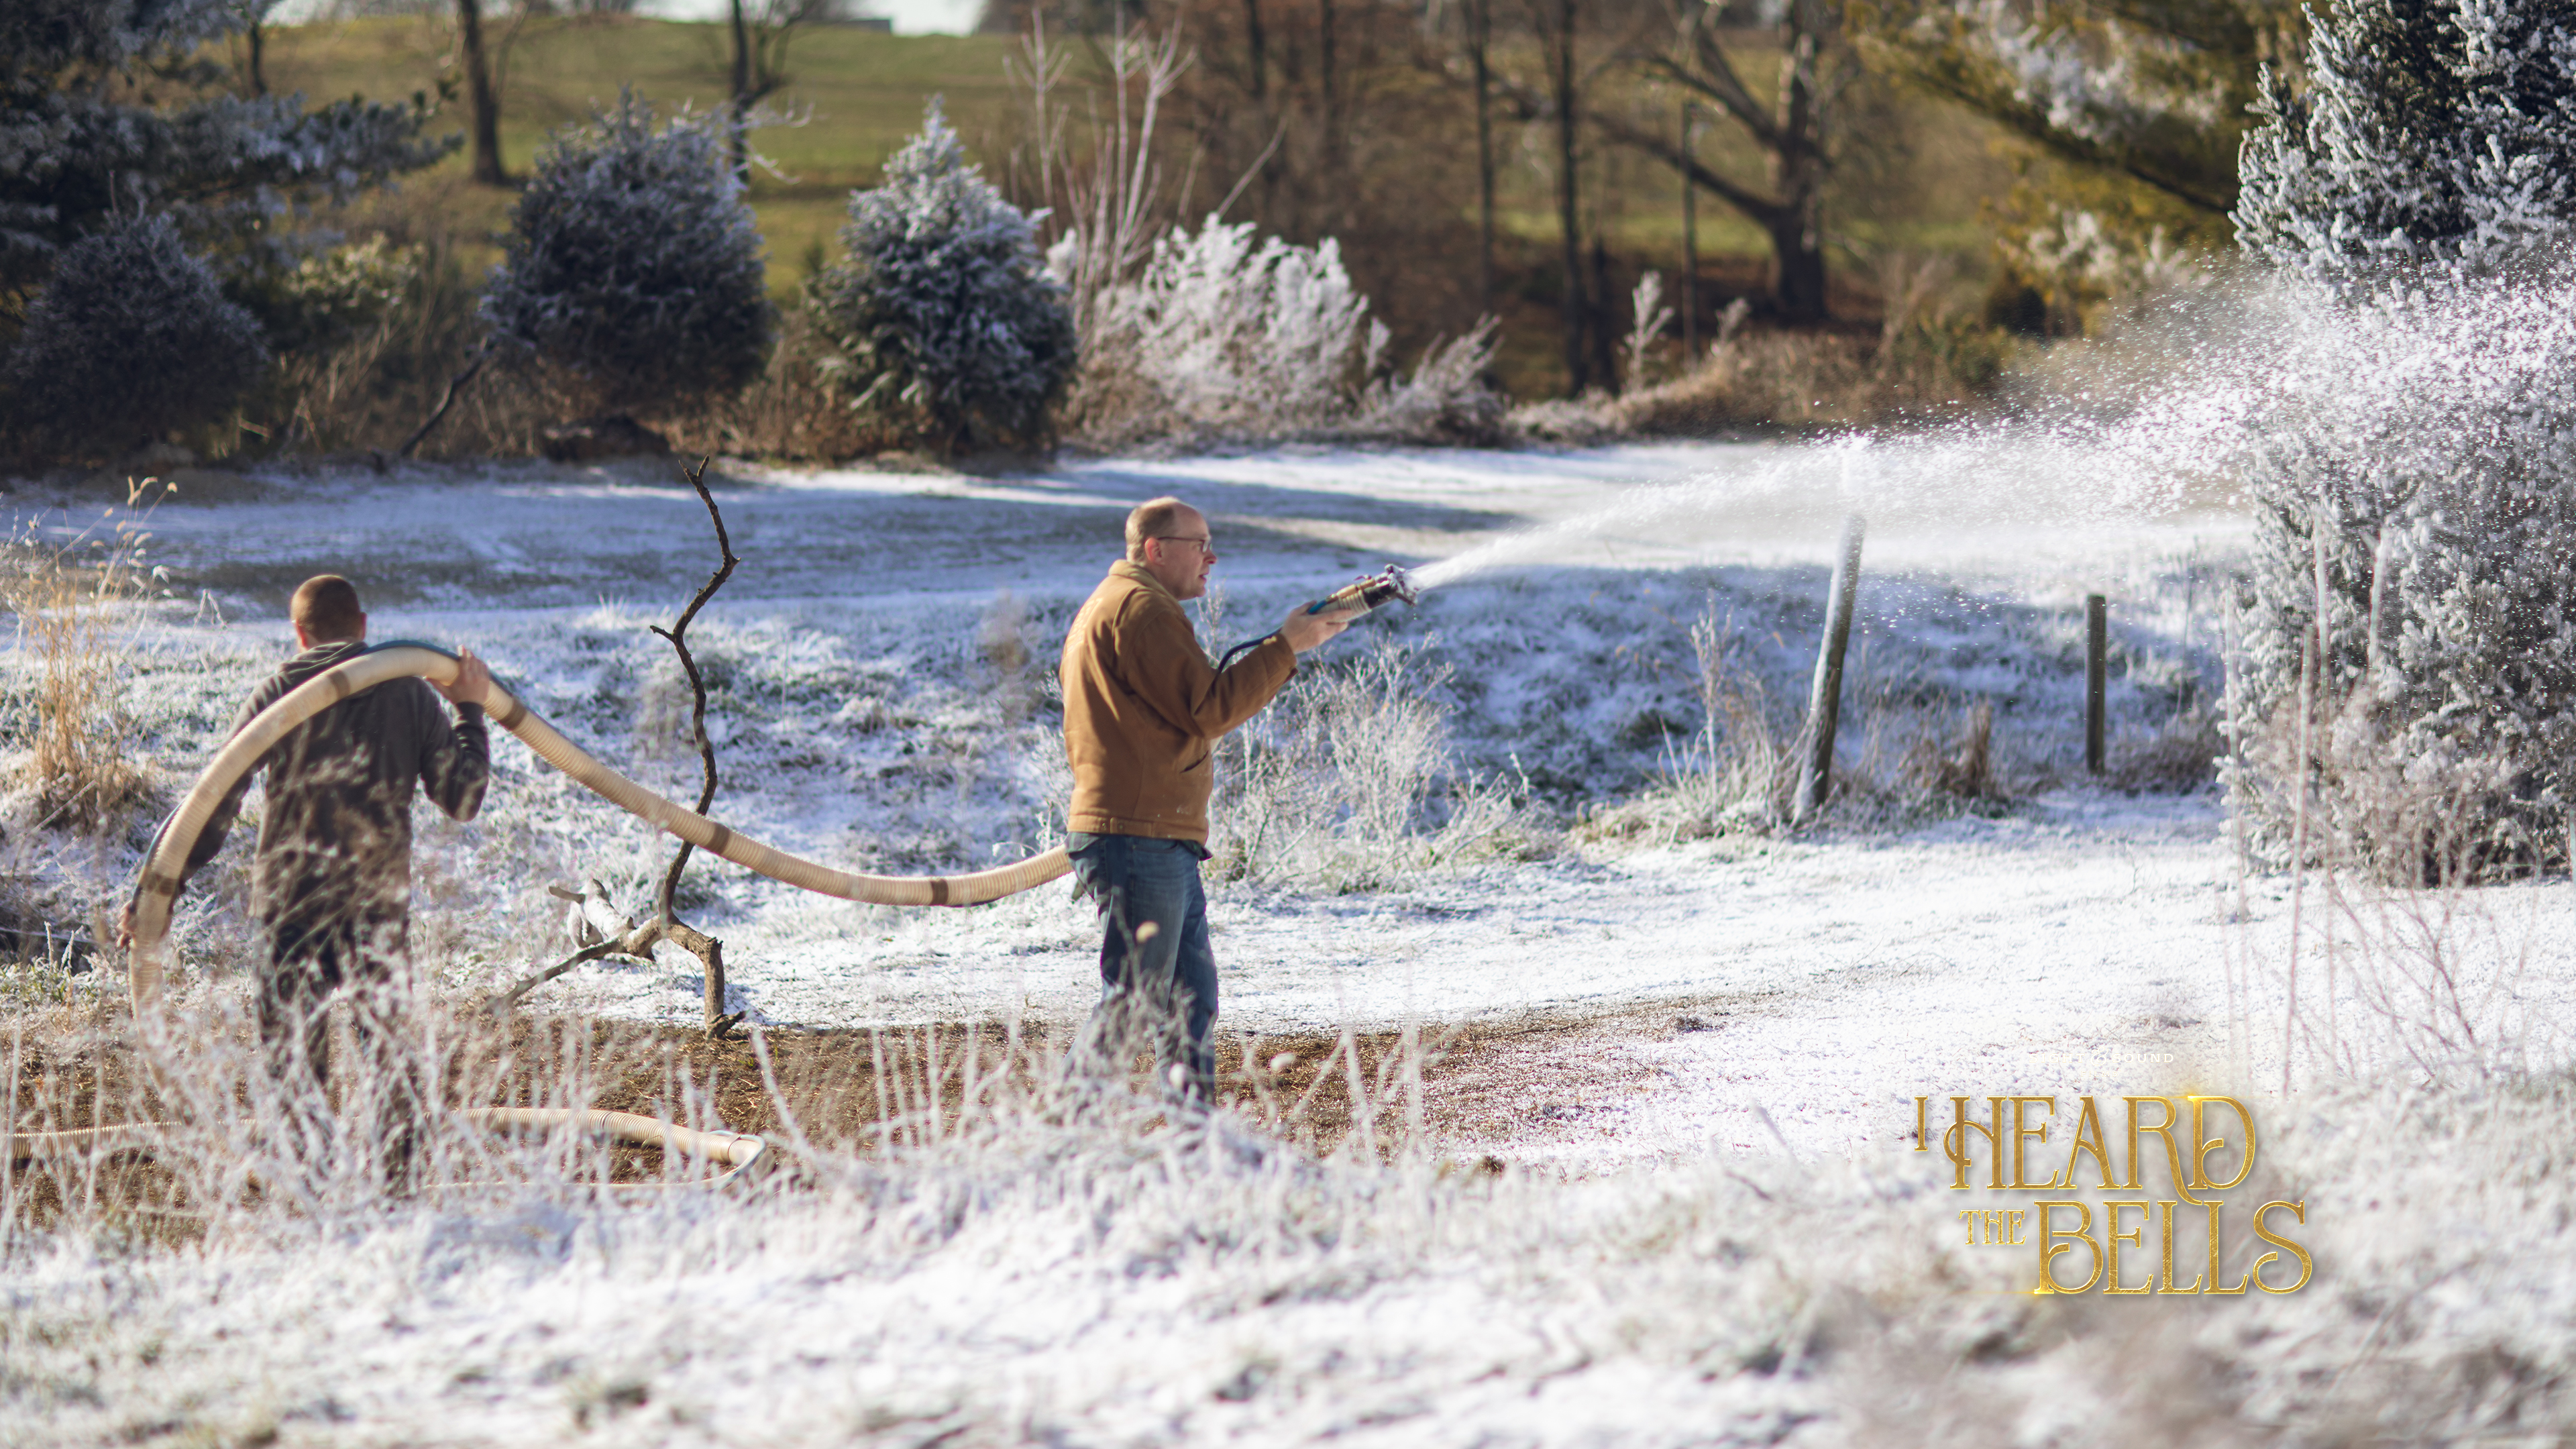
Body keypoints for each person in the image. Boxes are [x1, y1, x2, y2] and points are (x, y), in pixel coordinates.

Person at [121, 576, 492, 1160]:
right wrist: (470, 707)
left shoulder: (277, 693)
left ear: (298, 633)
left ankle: (308, 1203)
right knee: (393, 1072)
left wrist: (156, 895)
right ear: (364, 626)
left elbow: (212, 803)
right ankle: (398, 1206)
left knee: (295, 1075)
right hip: (377, 909)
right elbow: (463, 797)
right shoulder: (409, 693)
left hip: (290, 910)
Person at [1059, 498, 1351, 1102]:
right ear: (1155, 550)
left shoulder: (1117, 604)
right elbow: (1210, 708)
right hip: (1139, 837)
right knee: (1138, 998)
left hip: (1156, 834)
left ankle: (1197, 1143)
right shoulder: (1143, 611)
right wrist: (1285, 647)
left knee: (1190, 996)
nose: (1211, 557)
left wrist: (1287, 646)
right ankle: (1062, 1134)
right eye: (1199, 544)